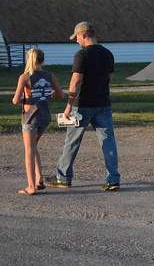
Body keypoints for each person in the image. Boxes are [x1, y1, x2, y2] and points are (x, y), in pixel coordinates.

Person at [47, 21, 121, 191]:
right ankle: (113, 179)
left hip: (82, 105)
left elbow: (76, 81)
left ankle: (63, 178)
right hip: (103, 103)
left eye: (77, 37)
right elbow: (109, 78)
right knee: (108, 141)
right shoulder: (107, 54)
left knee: (72, 141)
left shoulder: (82, 55)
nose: (76, 41)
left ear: (84, 35)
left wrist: (68, 106)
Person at [12, 48, 64, 195]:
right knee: (33, 146)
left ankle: (31, 186)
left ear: (28, 60)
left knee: (29, 150)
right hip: (44, 116)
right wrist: (46, 95)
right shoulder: (50, 76)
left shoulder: (25, 77)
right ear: (43, 60)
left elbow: (15, 100)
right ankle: (39, 179)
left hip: (30, 116)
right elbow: (60, 94)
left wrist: (25, 99)